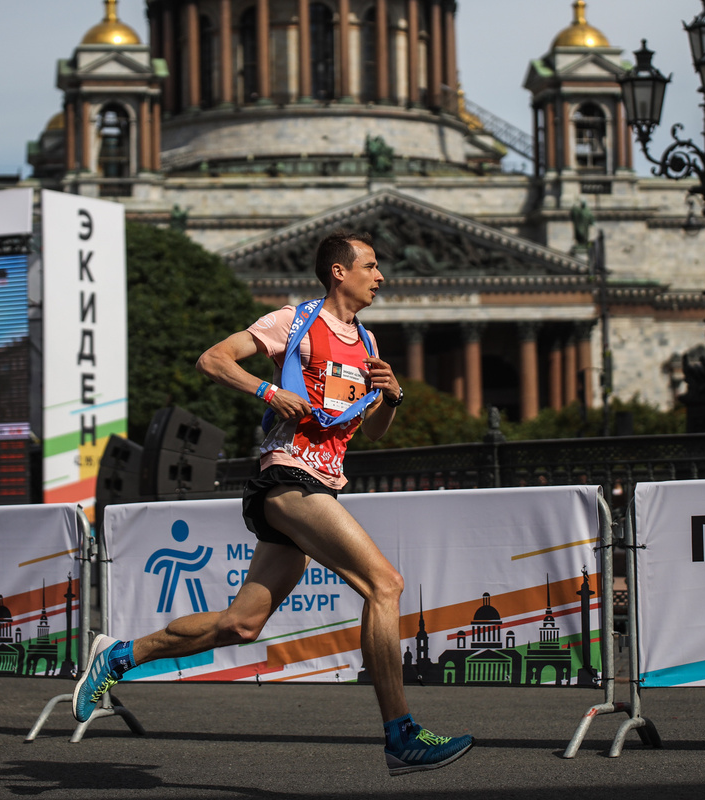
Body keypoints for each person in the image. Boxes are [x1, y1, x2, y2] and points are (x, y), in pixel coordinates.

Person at [72, 230, 475, 776]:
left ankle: (119, 656)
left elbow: (375, 431)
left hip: (322, 483)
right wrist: (267, 391)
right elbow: (212, 360)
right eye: (372, 266)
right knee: (385, 584)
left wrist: (391, 396)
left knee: (240, 626)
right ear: (339, 271)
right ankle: (400, 734)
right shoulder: (296, 322)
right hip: (287, 478)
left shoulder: (370, 344)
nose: (380, 277)